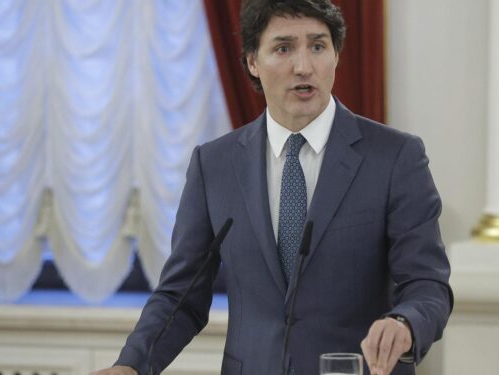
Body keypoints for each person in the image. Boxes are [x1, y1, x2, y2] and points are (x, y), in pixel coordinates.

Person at [92, 0, 452, 374]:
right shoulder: (214, 165)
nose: (303, 66)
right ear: (252, 61)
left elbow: (427, 285)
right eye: (283, 48)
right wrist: (131, 366)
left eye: (318, 46)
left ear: (336, 56)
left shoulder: (395, 158)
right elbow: (182, 295)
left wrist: (404, 322)